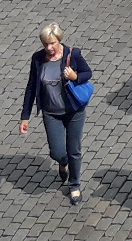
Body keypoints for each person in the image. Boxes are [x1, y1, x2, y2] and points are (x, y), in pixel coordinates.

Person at [19, 24, 94, 203]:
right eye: (45, 44)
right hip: (51, 112)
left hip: (74, 111)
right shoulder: (38, 59)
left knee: (74, 150)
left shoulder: (72, 54)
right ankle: (63, 162)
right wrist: (25, 116)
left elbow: (87, 73)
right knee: (57, 151)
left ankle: (74, 185)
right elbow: (31, 87)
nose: (49, 48)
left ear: (59, 40)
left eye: (52, 43)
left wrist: (75, 77)